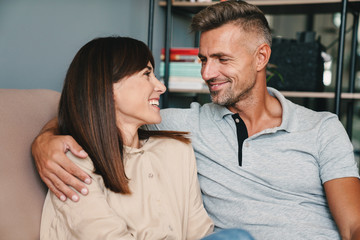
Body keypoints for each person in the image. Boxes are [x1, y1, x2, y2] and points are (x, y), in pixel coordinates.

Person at [32, 1, 360, 239]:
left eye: (222, 59)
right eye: (203, 59)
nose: (207, 73)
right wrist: (45, 141)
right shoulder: (185, 125)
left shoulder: (321, 128)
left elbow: (352, 225)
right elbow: (91, 105)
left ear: (261, 57)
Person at [39, 36, 217, 239]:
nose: (161, 87)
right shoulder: (73, 160)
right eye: (146, 74)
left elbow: (201, 233)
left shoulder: (177, 150)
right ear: (108, 87)